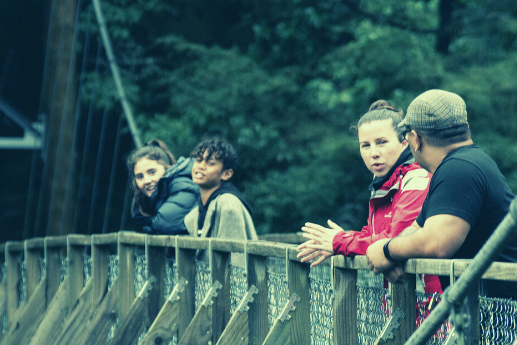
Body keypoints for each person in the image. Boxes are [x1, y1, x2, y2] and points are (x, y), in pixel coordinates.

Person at [365, 89, 517, 299]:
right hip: (490, 314)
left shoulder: (459, 170)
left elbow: (436, 242)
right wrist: (392, 254)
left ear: (416, 139)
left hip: (504, 320)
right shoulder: (461, 165)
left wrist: (387, 251)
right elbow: (416, 229)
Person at [297, 100, 441, 294]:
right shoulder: (381, 182)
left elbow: (396, 240)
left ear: (404, 142)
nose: (373, 153)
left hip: (433, 306)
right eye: (365, 145)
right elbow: (373, 235)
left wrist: (340, 241)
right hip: (400, 305)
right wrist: (343, 239)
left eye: (382, 142)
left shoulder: (417, 178)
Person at [184, 138, 258, 260]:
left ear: (226, 174)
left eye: (210, 163)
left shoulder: (228, 205)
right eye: (198, 160)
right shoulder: (196, 212)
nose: (201, 166)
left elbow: (236, 261)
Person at [127, 139, 199, 235]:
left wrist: (151, 225)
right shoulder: (154, 196)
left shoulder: (182, 184)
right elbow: (138, 215)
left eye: (152, 172)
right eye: (140, 177)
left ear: (168, 169)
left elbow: (165, 225)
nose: (147, 181)